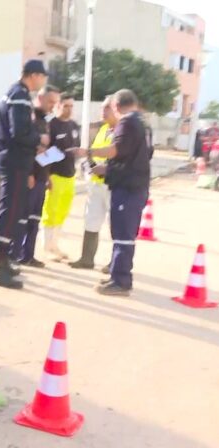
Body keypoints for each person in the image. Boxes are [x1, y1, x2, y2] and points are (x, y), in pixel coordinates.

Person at [72, 89, 153, 296]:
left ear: (116, 106)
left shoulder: (126, 122)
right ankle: (118, 275)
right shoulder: (143, 123)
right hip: (134, 185)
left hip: (127, 187)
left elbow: (116, 150)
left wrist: (89, 152)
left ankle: (121, 281)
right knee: (122, 234)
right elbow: (136, 156)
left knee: (123, 235)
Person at [0, 60, 49, 289]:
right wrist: (39, 139)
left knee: (12, 213)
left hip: (14, 161)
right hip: (14, 162)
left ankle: (5, 261)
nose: (43, 81)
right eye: (43, 76)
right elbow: (20, 132)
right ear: (34, 75)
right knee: (9, 212)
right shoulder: (20, 95)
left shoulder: (17, 93)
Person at [12, 85, 60, 268]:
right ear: (40, 98)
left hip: (41, 177)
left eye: (55, 103)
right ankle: (15, 255)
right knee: (23, 219)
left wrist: (47, 177)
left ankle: (28, 255)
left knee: (34, 219)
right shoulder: (30, 118)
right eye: (50, 102)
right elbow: (26, 148)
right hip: (30, 176)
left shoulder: (45, 120)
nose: (52, 106)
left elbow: (44, 151)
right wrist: (29, 173)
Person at [70, 96, 118, 270]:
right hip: (96, 183)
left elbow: (119, 156)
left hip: (113, 184)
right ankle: (86, 258)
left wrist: (105, 169)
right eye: (102, 108)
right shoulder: (103, 129)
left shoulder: (121, 131)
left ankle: (115, 262)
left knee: (116, 224)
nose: (103, 112)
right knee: (91, 220)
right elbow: (94, 153)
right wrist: (89, 164)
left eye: (107, 109)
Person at [41, 93, 80, 260]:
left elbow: (75, 148)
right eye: (66, 106)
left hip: (70, 175)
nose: (69, 110)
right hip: (54, 175)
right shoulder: (50, 125)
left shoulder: (74, 125)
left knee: (63, 211)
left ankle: (55, 244)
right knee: (51, 211)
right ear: (58, 106)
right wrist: (47, 176)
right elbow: (42, 154)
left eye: (71, 106)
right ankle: (47, 245)